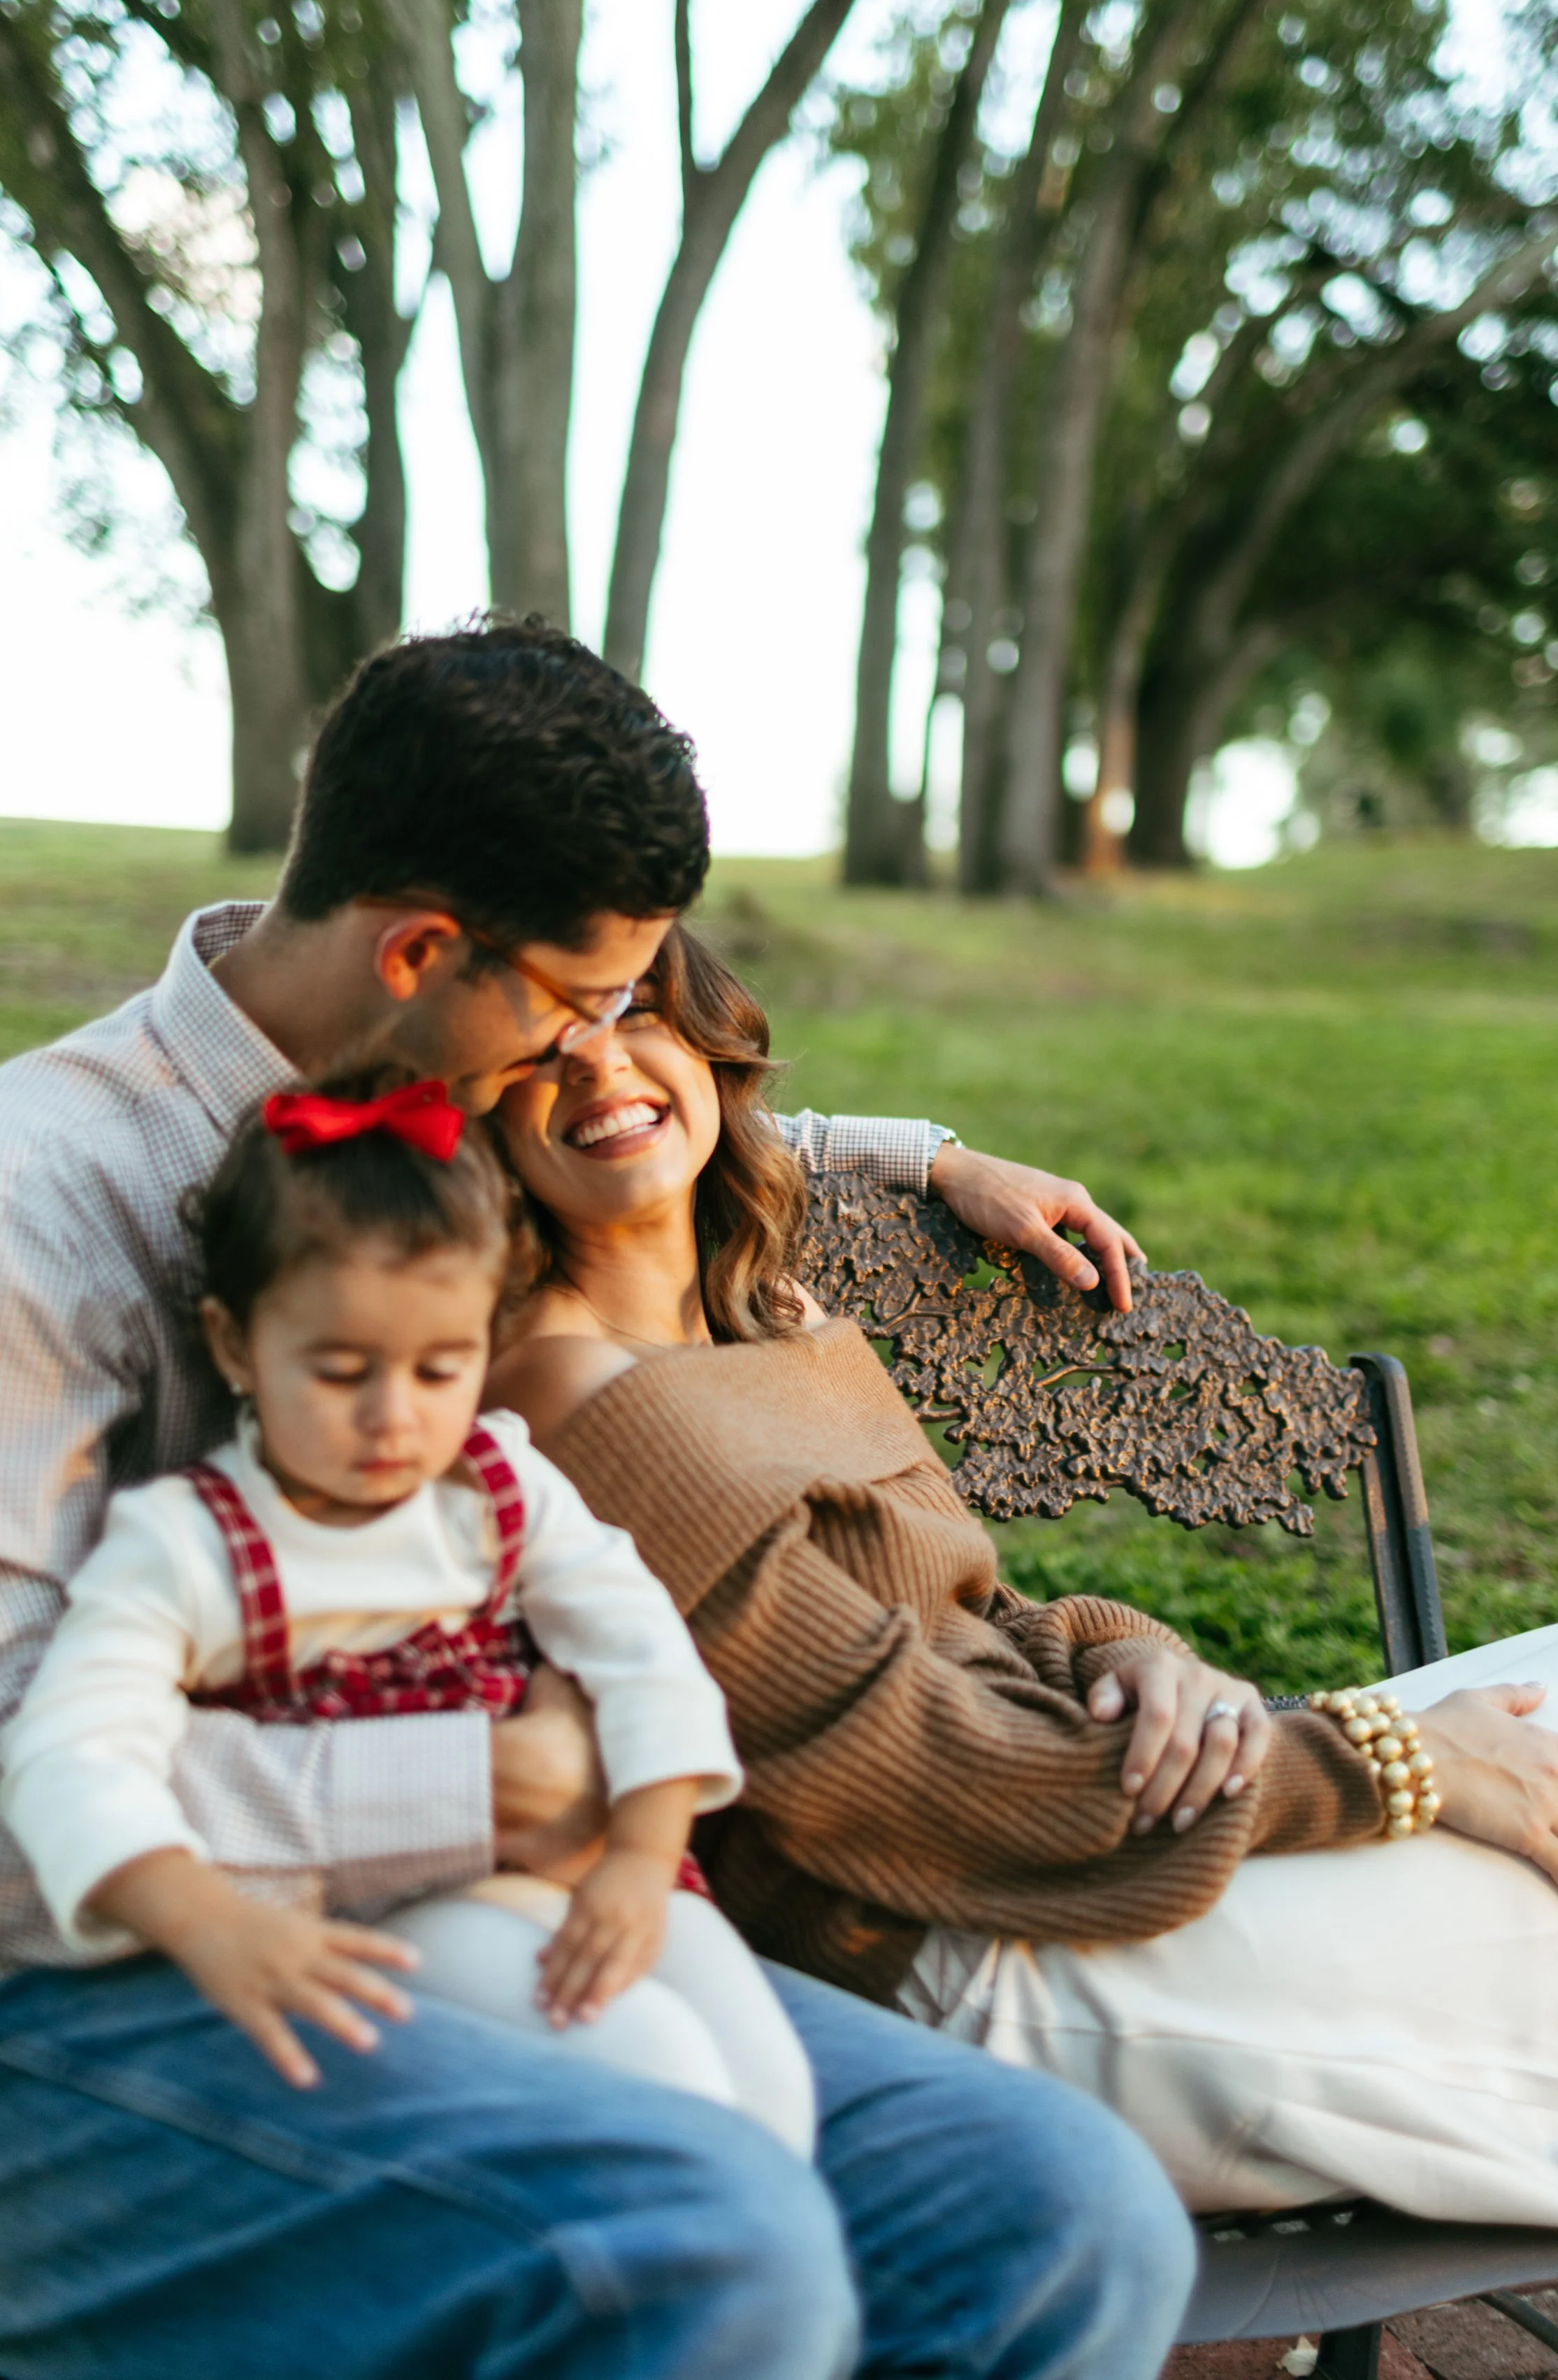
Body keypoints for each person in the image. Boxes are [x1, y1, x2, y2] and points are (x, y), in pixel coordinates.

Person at [0, 623, 1194, 2380]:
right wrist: (469, 1786)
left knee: (1053, 2207)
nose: (589, 1053)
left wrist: (926, 1155)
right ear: (419, 949)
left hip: (494, 1905)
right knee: (696, 2234)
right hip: (96, 1985)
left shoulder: (427, 1087)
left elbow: (689, 1137)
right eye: (571, 1005)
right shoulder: (44, 1205)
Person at [487, 917, 1558, 2245]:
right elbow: (933, 1780)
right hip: (981, 1961)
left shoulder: (768, 1308)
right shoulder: (577, 1405)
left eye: (631, 1015)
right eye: (539, 1050)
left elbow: (977, 1613)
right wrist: (1389, 1760)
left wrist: (1142, 1655)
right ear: (472, 1109)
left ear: (707, 1046)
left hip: (1088, 1834)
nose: (599, 1069)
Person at [2, 1069, 816, 2154]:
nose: (395, 1418)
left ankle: (754, 2289)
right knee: (663, 2082)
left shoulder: (498, 1480)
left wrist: (641, 1851)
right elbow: (72, 1748)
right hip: (394, 1903)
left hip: (599, 1860)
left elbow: (639, 1646)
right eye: (341, 1372)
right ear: (238, 1343)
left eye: (443, 1367)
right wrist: (207, 1917)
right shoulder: (192, 1543)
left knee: (771, 2094)